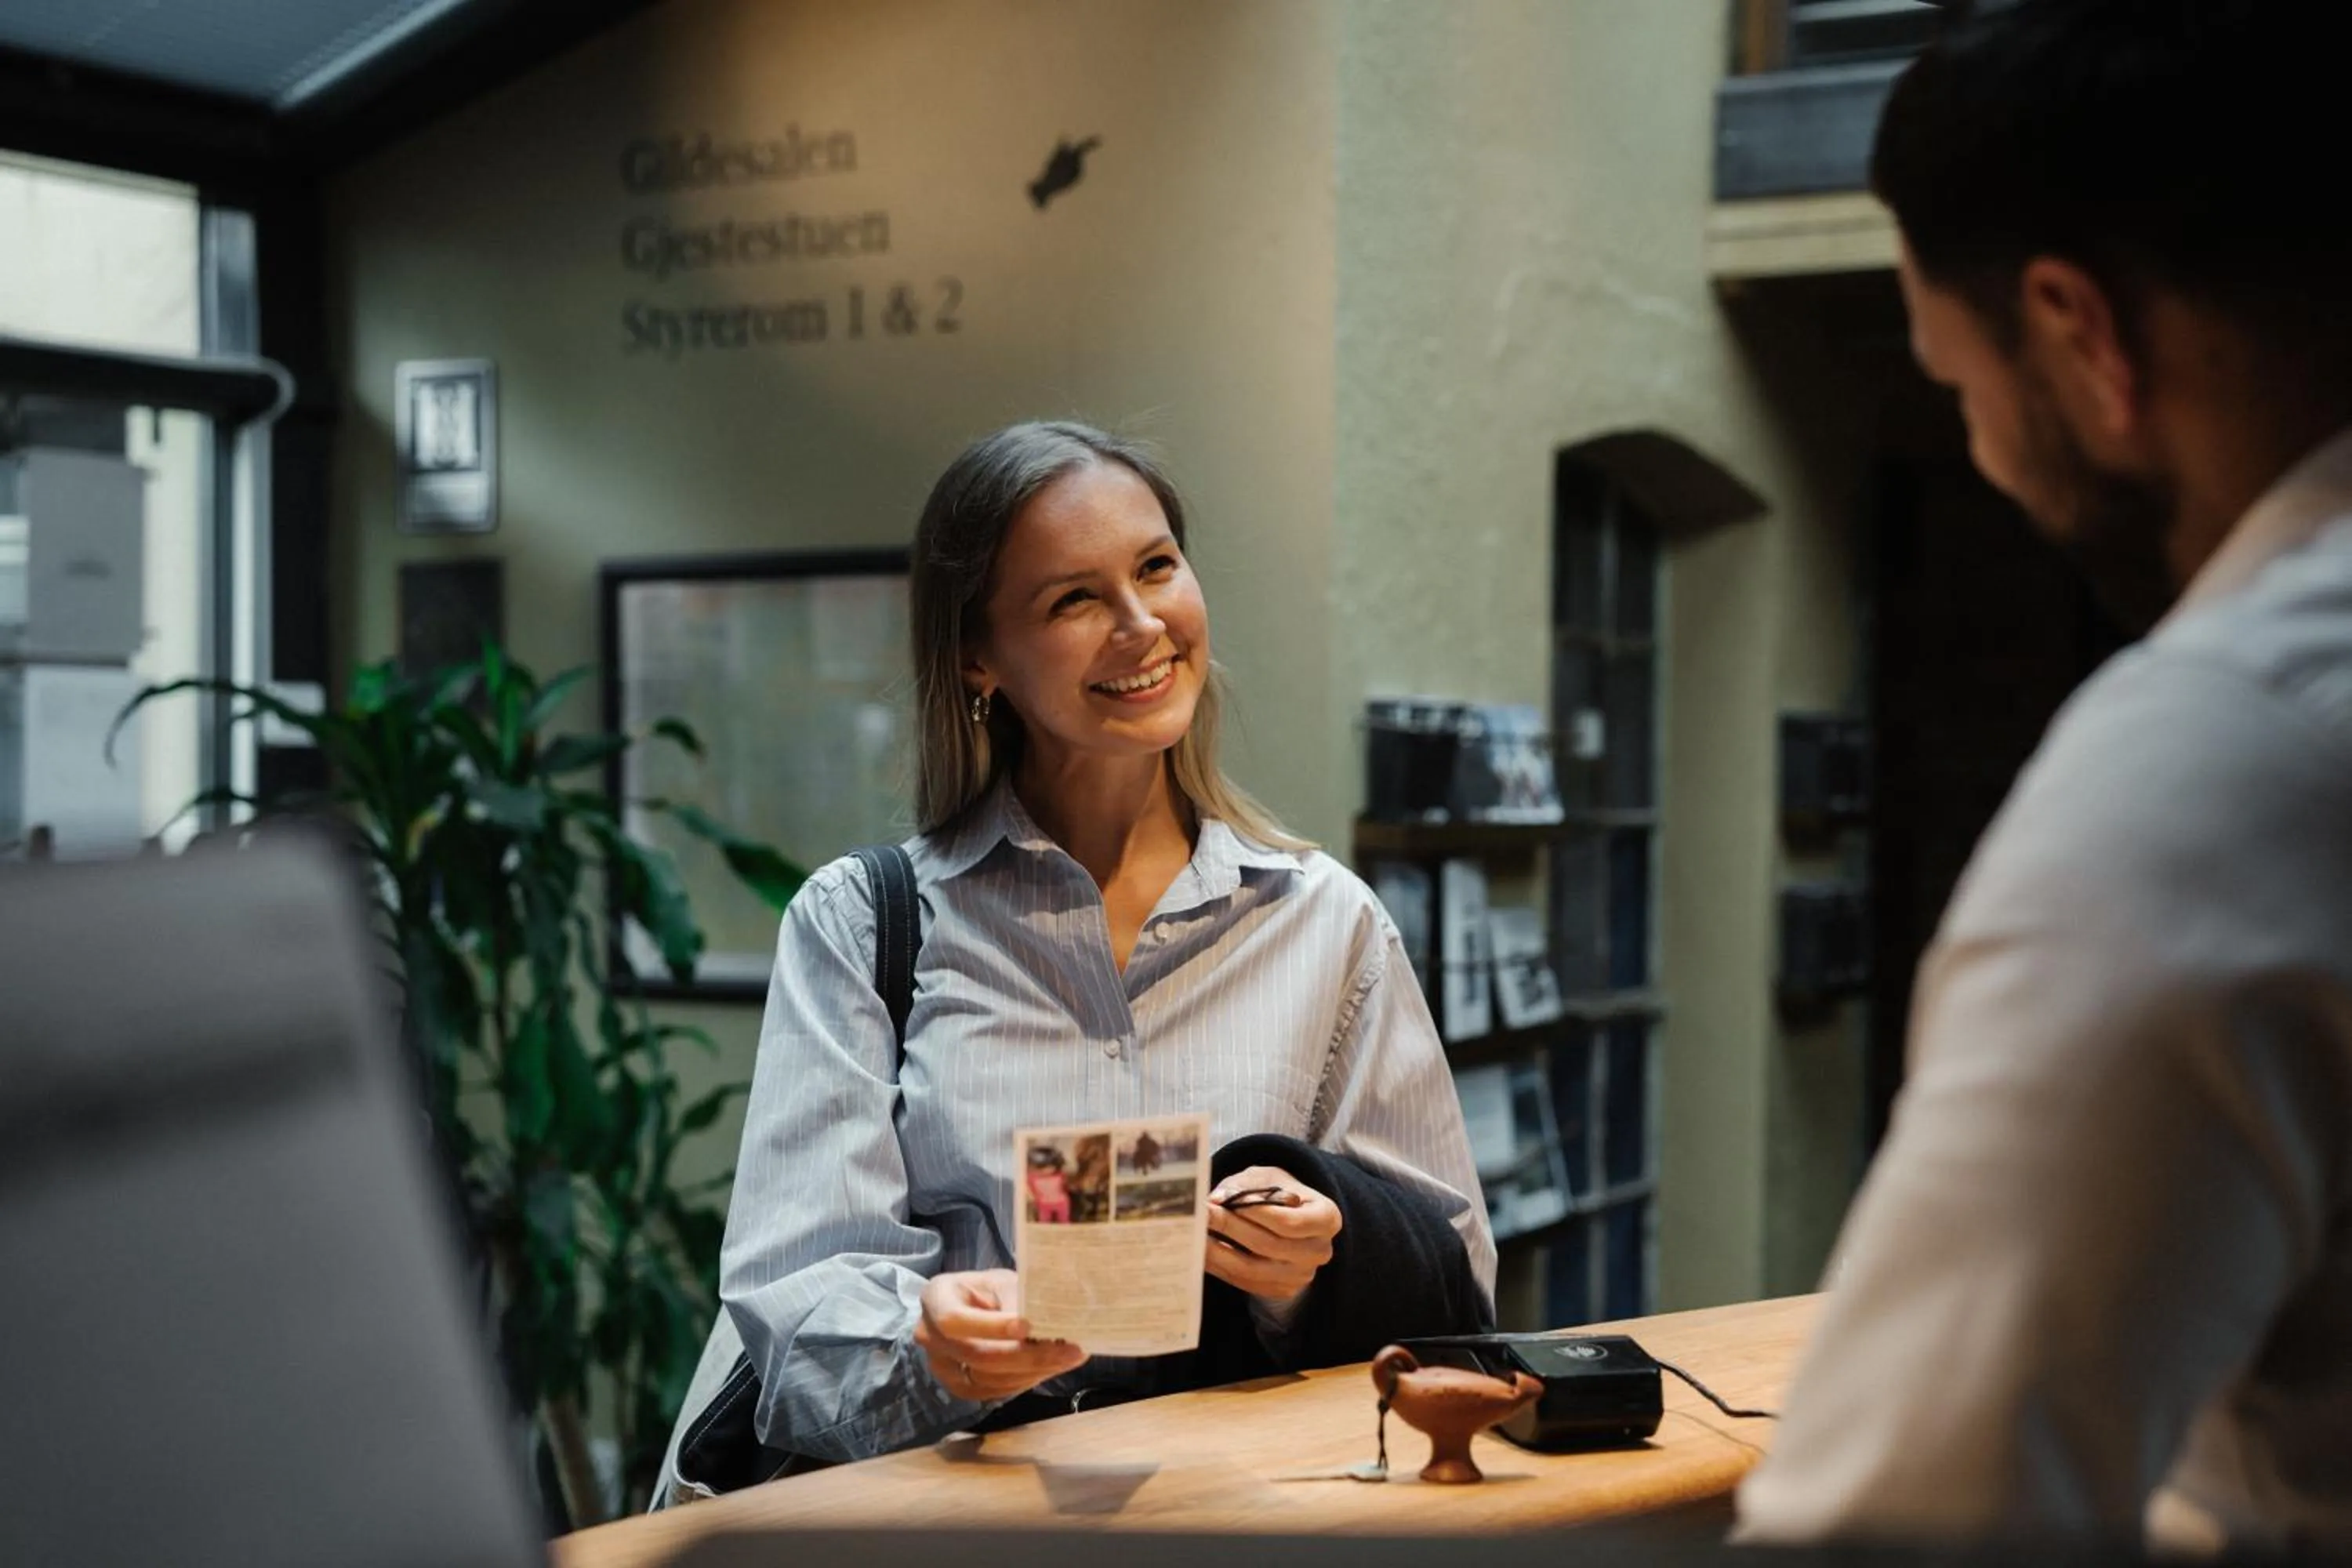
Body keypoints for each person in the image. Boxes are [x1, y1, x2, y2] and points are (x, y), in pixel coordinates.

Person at [1738, 0, 2352, 1548]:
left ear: (2083, 336)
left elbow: (1916, 1521)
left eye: (1962, 390)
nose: (1994, 460)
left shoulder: (2225, 756)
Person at [717, 420, 1494, 1463]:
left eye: (1158, 568)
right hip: (961, 1526)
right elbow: (799, 1298)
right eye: (1073, 599)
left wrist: (1308, 1268)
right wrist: (932, 1348)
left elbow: (1455, 1276)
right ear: (978, 659)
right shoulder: (863, 922)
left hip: (1237, 1519)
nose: (1142, 625)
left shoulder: (1326, 922)